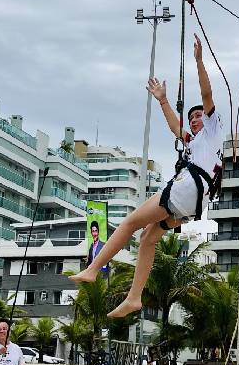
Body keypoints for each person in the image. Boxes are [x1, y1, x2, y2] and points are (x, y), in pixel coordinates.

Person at [69, 34, 223, 318]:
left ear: (209, 119)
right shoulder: (198, 144)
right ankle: (134, 298)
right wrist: (163, 101)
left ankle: (92, 269)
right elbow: (175, 127)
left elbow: (206, 95)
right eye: (192, 119)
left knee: (129, 222)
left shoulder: (212, 132)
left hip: (189, 188)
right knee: (148, 239)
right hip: (194, 203)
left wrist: (199, 62)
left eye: (198, 116)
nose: (194, 120)